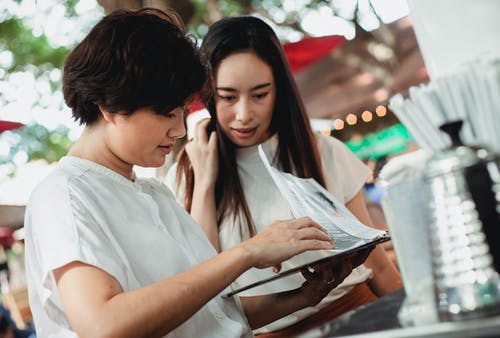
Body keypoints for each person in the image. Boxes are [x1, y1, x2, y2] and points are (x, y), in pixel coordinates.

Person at [23, 8, 354, 338]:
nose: (180, 130)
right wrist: (248, 253)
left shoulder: (153, 193)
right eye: (168, 113)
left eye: (183, 113)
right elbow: (103, 325)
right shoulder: (65, 195)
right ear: (110, 105)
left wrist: (304, 295)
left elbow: (215, 315)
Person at [167, 16, 403, 337]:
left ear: (279, 90)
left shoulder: (320, 150)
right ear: (209, 94)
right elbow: (206, 279)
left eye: (260, 95)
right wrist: (206, 182)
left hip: (361, 316)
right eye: (228, 97)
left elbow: (373, 262)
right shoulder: (188, 172)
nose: (244, 114)